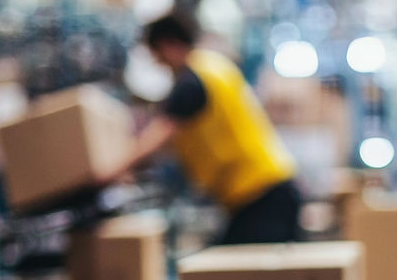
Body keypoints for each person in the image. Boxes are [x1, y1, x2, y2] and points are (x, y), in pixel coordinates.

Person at [104, 13, 303, 244]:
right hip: (260, 192)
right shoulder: (210, 67)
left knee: (237, 274)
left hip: (262, 193)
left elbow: (159, 134)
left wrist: (108, 172)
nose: (159, 64)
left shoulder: (194, 79)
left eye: (157, 55)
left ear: (169, 45)